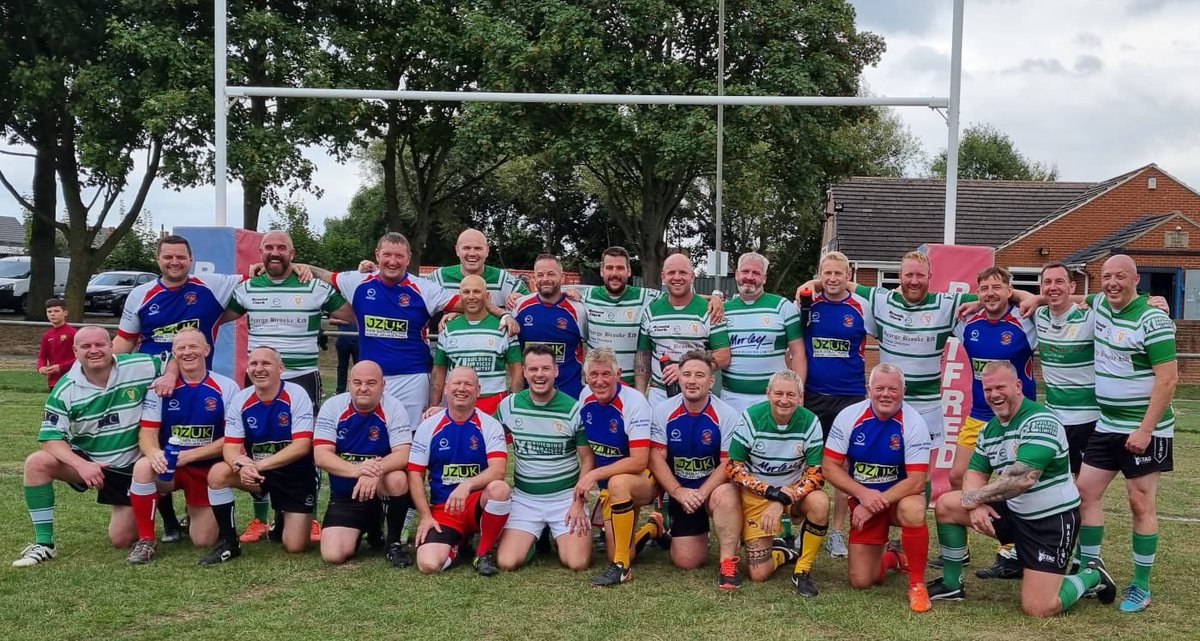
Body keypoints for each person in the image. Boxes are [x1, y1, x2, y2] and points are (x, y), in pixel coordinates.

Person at [926, 361, 1117, 617]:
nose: (994, 395)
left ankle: (1091, 574)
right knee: (948, 504)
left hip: (1049, 521)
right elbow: (974, 473)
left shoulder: (1041, 421)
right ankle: (951, 584)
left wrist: (974, 499)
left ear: (1017, 386)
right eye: (988, 390)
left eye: (1000, 387)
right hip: (1016, 514)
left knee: (1039, 608)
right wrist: (974, 504)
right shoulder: (989, 430)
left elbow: (1022, 478)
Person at [13, 326, 166, 567]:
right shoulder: (65, 388)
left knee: (122, 539)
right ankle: (44, 544)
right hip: (91, 461)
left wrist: (169, 375)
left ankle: (161, 504)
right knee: (37, 462)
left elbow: (176, 358)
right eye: (86, 346)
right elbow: (49, 438)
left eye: (100, 345)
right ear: (75, 351)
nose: (94, 351)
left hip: (132, 468)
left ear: (111, 346)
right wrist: (81, 465)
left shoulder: (140, 365)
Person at [1075, 254, 1177, 613]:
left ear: (1137, 280)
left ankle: (1141, 585)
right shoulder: (1101, 303)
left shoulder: (1153, 318)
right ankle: (1091, 569)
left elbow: (1168, 379)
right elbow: (1072, 299)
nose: (1112, 282)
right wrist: (1034, 297)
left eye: (1120, 276)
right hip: (1107, 425)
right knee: (1084, 493)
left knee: (1139, 503)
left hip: (1145, 430)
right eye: (1106, 276)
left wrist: (1146, 430)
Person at [821, 364, 933, 612]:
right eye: (879, 388)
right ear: (868, 389)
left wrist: (874, 504)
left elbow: (916, 480)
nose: (886, 394)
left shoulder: (914, 422)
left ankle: (917, 585)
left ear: (904, 391)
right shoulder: (849, 416)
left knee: (914, 508)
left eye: (893, 389)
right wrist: (863, 495)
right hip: (863, 501)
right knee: (861, 581)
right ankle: (895, 558)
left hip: (897, 501)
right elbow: (829, 467)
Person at [126, 328, 240, 563]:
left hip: (205, 469)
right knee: (143, 466)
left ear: (206, 350)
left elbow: (232, 439)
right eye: (181, 348)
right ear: (174, 353)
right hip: (170, 466)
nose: (188, 352)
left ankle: (192, 514)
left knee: (203, 540)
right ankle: (147, 540)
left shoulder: (226, 387)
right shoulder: (161, 388)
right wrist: (154, 452)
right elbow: (147, 432)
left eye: (194, 347)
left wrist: (189, 456)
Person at [198, 347, 317, 565]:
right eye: (253, 364)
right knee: (217, 473)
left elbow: (302, 445)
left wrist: (258, 465)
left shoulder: (296, 394)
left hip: (295, 475)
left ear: (280, 368)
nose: (259, 369)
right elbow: (230, 447)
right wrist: (240, 465)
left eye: (266, 364)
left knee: (295, 547)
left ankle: (282, 515)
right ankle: (229, 543)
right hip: (259, 474)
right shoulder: (242, 399)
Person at [726, 370, 828, 597]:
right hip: (757, 493)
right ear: (767, 394)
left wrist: (782, 498)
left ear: (800, 397)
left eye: (791, 394)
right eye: (778, 393)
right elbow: (734, 468)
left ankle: (802, 570)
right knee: (758, 574)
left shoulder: (810, 421)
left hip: (793, 494)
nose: (784, 399)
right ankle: (783, 552)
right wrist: (770, 492)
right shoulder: (751, 417)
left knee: (820, 501)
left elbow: (816, 474)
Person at [799, 251, 874, 558]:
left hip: (850, 396)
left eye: (838, 274)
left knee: (843, 467)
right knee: (806, 462)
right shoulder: (806, 303)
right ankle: (804, 525)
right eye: (826, 273)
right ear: (820, 274)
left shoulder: (861, 307)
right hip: (813, 394)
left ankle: (837, 532)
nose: (832, 279)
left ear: (848, 276)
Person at [647, 351, 743, 588]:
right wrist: (679, 492)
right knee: (686, 561)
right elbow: (656, 458)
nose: (692, 380)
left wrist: (701, 494)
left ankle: (727, 562)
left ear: (711, 381)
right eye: (687, 374)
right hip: (682, 493)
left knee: (727, 494)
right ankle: (656, 526)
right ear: (678, 377)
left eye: (699, 375)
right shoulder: (663, 411)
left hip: (710, 492)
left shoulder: (727, 414)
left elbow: (727, 464)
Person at [494, 345, 593, 571]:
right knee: (506, 563)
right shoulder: (508, 406)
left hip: (564, 499)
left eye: (546, 368)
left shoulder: (574, 409)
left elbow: (587, 459)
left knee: (577, 563)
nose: (540, 374)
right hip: (526, 499)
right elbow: (485, 434)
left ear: (556, 371)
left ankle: (557, 535)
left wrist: (578, 502)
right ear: (525, 372)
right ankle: (533, 537)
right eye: (533, 369)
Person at [224, 230, 353, 404]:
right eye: (269, 247)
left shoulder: (314, 287)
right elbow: (213, 319)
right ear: (260, 252)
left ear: (292, 254)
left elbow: (358, 317)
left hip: (302, 376)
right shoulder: (247, 288)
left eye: (281, 248)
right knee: (255, 430)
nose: (275, 252)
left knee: (304, 432)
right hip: (259, 376)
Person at [575, 347, 666, 587]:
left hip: (641, 479)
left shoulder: (634, 401)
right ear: (586, 377)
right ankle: (653, 528)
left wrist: (594, 475)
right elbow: (589, 455)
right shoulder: (584, 397)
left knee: (618, 482)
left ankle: (621, 568)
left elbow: (639, 460)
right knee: (620, 549)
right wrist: (579, 494)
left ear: (618, 373)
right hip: (610, 483)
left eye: (606, 374)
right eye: (593, 375)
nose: (600, 380)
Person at [408, 367, 512, 576]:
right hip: (443, 509)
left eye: (468, 384)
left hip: (476, 504)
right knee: (428, 565)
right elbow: (414, 476)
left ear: (478, 390)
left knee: (500, 489)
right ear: (446, 388)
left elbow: (498, 471)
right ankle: (459, 541)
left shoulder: (489, 425)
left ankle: (482, 552)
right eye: (456, 383)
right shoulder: (428, 426)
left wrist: (466, 485)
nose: (462, 389)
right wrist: (426, 516)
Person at [313, 360, 414, 567]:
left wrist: (374, 472)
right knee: (333, 555)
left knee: (397, 479)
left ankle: (393, 543)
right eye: (357, 382)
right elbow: (321, 456)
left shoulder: (393, 407)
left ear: (383, 385)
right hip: (346, 494)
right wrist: (358, 470)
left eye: (371, 383)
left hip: (379, 486)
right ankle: (369, 524)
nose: (363, 388)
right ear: (349, 383)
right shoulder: (333, 406)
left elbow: (403, 454)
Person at [581, 246, 723, 386]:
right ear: (601, 270)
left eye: (620, 268)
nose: (614, 273)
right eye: (609, 268)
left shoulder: (646, 297)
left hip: (628, 386)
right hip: (597, 384)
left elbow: (677, 292)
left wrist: (713, 299)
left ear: (628, 271)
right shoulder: (586, 297)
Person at [115, 234, 248, 364]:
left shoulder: (212, 286)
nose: (174, 262)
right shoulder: (139, 294)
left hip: (194, 379)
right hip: (150, 379)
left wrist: (258, 268)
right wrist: (104, 369)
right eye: (168, 257)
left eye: (181, 257)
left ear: (191, 259)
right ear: (158, 259)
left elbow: (254, 281)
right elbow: (125, 340)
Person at [635, 253, 731, 407]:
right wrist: (640, 396)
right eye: (671, 273)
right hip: (659, 395)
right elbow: (643, 356)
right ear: (663, 277)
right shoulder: (651, 310)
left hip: (697, 395)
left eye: (683, 273)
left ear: (692, 277)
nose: (677, 277)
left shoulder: (709, 310)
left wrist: (687, 370)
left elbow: (723, 355)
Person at [722, 253, 804, 415]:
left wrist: (799, 392)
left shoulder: (783, 306)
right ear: (737, 274)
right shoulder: (723, 310)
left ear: (765, 278)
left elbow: (798, 353)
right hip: (731, 398)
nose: (750, 277)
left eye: (756, 273)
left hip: (773, 399)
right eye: (745, 272)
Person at [433, 274, 523, 415]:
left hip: (494, 403)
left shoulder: (503, 327)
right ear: (460, 296)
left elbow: (517, 370)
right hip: (457, 402)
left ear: (487, 295)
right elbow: (439, 371)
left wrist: (513, 403)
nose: (471, 296)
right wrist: (434, 405)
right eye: (466, 292)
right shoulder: (447, 328)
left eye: (476, 291)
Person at [513, 254, 588, 398]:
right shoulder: (519, 306)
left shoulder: (579, 310)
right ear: (534, 279)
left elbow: (591, 345)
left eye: (551, 274)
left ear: (562, 277)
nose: (545, 279)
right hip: (529, 396)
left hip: (569, 395)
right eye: (540, 275)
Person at [428, 228, 530, 309]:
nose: (472, 254)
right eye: (466, 248)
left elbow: (531, 303)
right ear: (457, 250)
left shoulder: (503, 280)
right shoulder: (439, 278)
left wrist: (520, 299)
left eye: (478, 248)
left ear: (487, 251)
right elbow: (416, 300)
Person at [37, 298, 76, 389]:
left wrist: (61, 367)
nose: (52, 314)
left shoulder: (73, 333)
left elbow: (80, 358)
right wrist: (41, 368)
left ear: (65, 313)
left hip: (70, 379)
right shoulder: (47, 335)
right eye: (49, 311)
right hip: (53, 381)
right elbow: (42, 356)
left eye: (56, 311)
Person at [330, 317, 358, 395]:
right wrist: (341, 321)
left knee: (358, 367)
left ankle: (356, 389)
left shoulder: (361, 306)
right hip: (343, 340)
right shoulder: (342, 308)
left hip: (358, 340)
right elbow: (331, 320)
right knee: (342, 367)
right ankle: (340, 391)